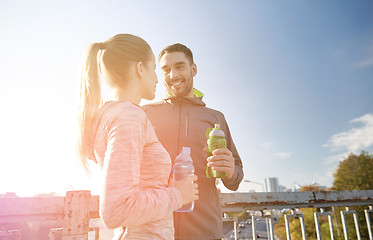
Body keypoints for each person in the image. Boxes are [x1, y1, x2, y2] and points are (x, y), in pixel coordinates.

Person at [76, 34, 198, 240]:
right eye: (153, 69)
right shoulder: (129, 116)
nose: (158, 78)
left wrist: (164, 180)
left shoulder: (111, 114)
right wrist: (178, 195)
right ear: (140, 68)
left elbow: (134, 184)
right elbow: (116, 210)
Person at [143, 43, 244, 240]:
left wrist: (230, 171)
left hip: (204, 232)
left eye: (179, 66)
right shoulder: (145, 113)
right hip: (155, 231)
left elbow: (236, 176)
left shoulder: (215, 118)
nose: (172, 75)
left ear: (193, 69)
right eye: (166, 69)